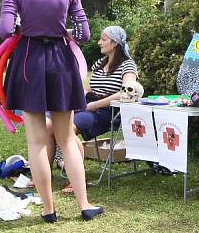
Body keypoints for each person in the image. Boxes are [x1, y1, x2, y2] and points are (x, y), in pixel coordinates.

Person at [0, 0, 103, 222]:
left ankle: (48, 209)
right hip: (60, 61)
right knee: (67, 138)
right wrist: (61, 30)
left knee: (36, 142)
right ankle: (84, 204)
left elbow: (5, 30)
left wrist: (26, 28)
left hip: (28, 61)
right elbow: (83, 33)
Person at [47, 26, 138, 185]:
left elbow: (127, 92)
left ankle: (75, 178)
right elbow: (90, 88)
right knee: (49, 126)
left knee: (67, 129)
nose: (99, 43)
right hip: (89, 105)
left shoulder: (127, 65)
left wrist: (95, 105)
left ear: (115, 43)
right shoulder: (99, 64)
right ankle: (45, 174)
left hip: (109, 111)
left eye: (103, 39)